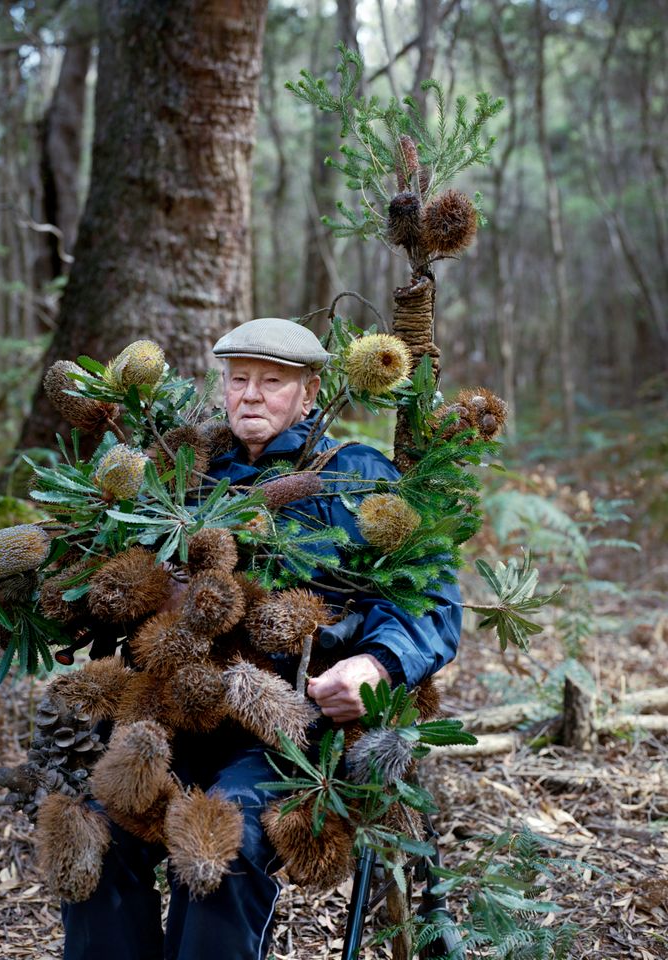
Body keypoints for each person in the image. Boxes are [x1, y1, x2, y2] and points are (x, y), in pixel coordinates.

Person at [62, 318, 462, 960]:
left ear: (308, 395)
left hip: (288, 729)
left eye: (272, 382)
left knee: (221, 842)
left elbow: (432, 596)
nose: (251, 394)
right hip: (173, 714)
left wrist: (375, 663)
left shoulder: (353, 475)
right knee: (95, 832)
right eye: (239, 379)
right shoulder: (182, 472)